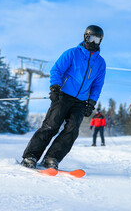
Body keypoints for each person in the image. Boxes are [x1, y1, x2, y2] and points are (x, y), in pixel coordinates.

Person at [21, 25, 106, 169]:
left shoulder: (100, 63)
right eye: (91, 38)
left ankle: (51, 158)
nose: (94, 42)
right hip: (63, 96)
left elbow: (97, 85)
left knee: (72, 131)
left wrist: (91, 102)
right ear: (86, 37)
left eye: (97, 39)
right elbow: (56, 70)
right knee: (51, 126)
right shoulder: (72, 53)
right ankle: (31, 156)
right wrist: (55, 87)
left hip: (80, 101)